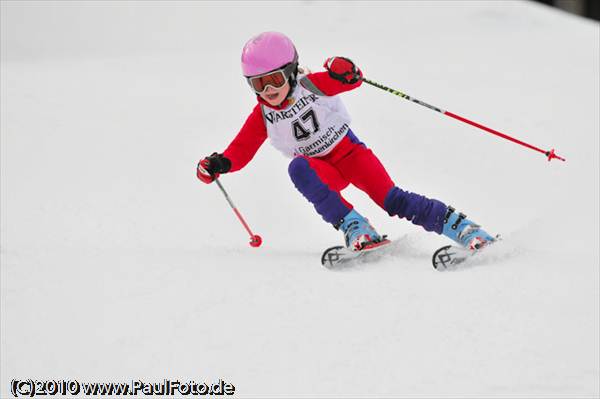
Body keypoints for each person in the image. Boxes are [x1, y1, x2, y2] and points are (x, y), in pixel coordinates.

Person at [197, 31, 495, 251]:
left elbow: (348, 80)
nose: (268, 90)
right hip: (322, 171)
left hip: (351, 155)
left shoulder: (309, 85)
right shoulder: (263, 115)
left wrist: (344, 69)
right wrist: (219, 164)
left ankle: (464, 229)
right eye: (258, 84)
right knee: (298, 168)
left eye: (274, 79)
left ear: (290, 71)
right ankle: (356, 227)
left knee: (393, 200)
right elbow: (241, 149)